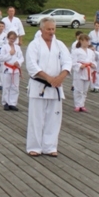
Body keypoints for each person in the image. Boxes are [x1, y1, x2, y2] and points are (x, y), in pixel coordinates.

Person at [26, 17, 71, 157]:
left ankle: (50, 146)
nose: (51, 32)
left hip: (56, 86)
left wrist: (61, 77)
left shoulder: (60, 45)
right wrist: (49, 78)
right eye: (48, 29)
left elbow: (68, 62)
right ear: (41, 30)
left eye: (53, 29)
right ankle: (34, 146)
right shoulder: (34, 45)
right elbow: (32, 65)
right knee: (36, 118)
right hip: (39, 85)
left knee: (54, 118)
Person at [0, 31, 24, 111]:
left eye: (14, 39)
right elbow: (1, 58)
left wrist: (18, 62)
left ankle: (12, 103)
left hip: (15, 70)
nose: (12, 40)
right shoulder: (4, 47)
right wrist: (9, 54)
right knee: (6, 86)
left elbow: (21, 58)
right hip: (7, 69)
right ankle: (5, 102)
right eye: (11, 38)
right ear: (8, 38)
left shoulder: (18, 48)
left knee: (15, 87)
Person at [72, 34, 95, 113]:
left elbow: (93, 61)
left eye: (88, 40)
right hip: (80, 72)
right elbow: (73, 62)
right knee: (78, 89)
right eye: (85, 40)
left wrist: (93, 65)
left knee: (85, 90)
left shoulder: (91, 52)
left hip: (88, 71)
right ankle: (77, 105)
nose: (87, 42)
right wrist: (80, 66)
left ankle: (82, 105)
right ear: (81, 41)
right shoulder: (76, 51)